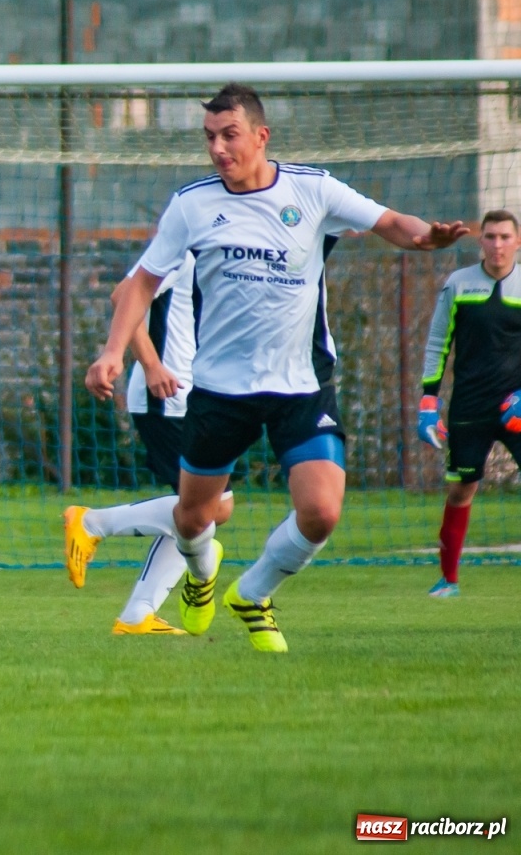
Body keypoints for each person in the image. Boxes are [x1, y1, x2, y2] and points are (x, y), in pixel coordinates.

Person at [85, 83, 467, 653]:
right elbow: (141, 284)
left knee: (321, 512)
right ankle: (200, 576)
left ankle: (253, 592)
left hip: (301, 386)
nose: (218, 148)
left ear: (261, 136)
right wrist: (113, 352)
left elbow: (388, 220)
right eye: (210, 137)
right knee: (194, 519)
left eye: (230, 135)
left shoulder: (311, 190)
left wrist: (425, 237)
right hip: (220, 390)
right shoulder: (192, 205)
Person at [64, 254, 233, 635]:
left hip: (197, 395)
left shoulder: (226, 245)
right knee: (209, 509)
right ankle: (93, 523)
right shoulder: (186, 245)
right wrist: (152, 365)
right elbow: (124, 294)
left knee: (203, 511)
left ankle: (137, 615)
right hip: (168, 397)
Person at [418, 209, 521, 598]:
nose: (497, 244)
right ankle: (448, 580)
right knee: (461, 490)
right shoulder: (458, 284)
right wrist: (428, 400)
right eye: (490, 236)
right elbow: (437, 342)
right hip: (470, 407)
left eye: (505, 237)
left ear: (518, 241)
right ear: (481, 241)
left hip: (517, 406)